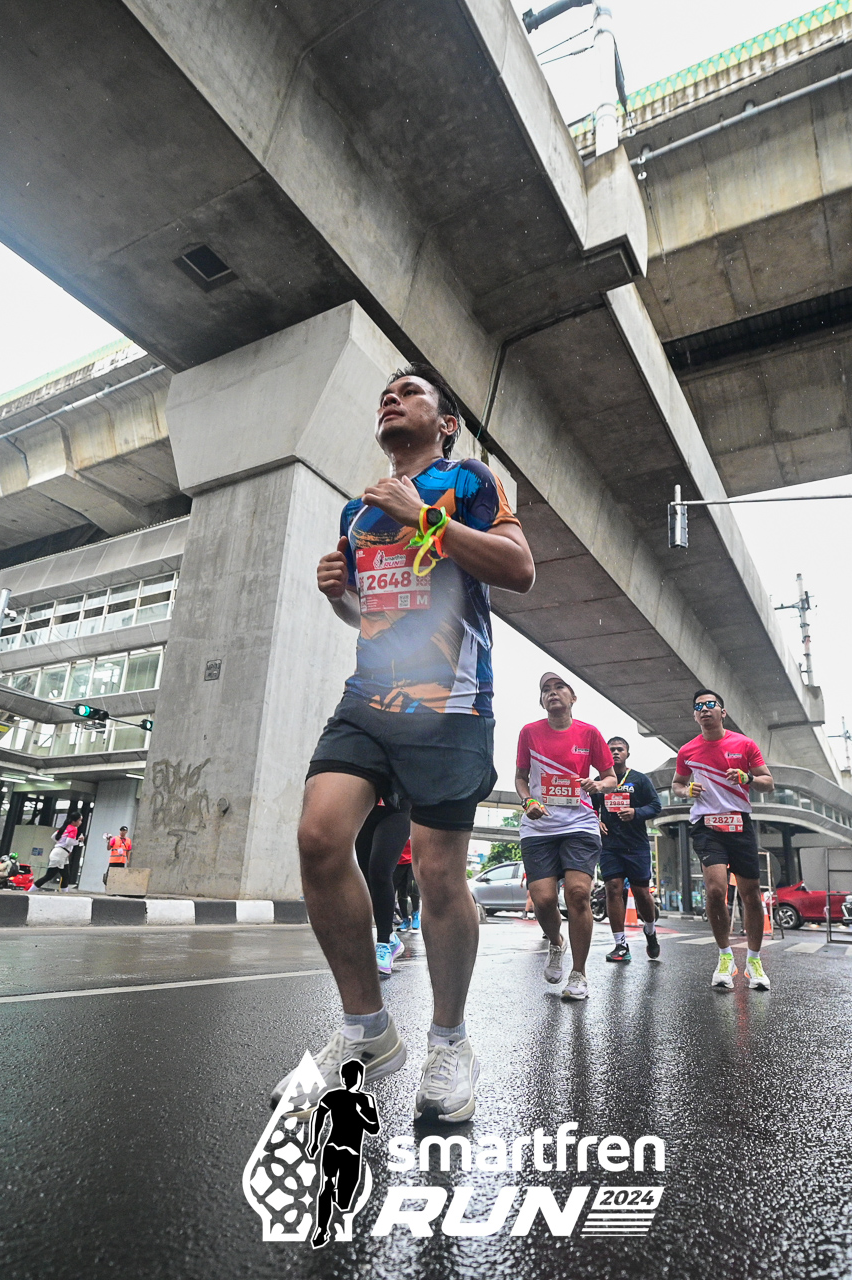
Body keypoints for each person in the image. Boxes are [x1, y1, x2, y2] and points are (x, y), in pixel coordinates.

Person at [276, 363, 533, 1124]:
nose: (393, 397)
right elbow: (373, 615)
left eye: (411, 391)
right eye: (386, 394)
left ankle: (449, 1042)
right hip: (370, 698)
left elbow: (518, 569)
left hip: (451, 701)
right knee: (320, 838)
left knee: (437, 871)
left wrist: (424, 518)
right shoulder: (357, 512)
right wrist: (340, 595)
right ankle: (366, 1028)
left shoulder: (468, 480)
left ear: (444, 423)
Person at [516, 671, 614, 1001]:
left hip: (580, 825)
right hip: (539, 827)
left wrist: (598, 785)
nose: (553, 692)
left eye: (559, 687)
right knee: (543, 900)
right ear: (541, 700)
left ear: (573, 697)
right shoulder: (529, 732)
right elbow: (520, 777)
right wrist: (527, 801)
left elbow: (610, 778)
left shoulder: (589, 733)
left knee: (578, 894)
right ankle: (557, 943)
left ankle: (579, 973)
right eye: (546, 689)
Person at [674, 688, 774, 991]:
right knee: (716, 891)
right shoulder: (687, 751)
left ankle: (754, 961)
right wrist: (687, 791)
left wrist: (747, 778)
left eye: (710, 704)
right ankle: (725, 957)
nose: (704, 709)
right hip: (706, 826)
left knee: (750, 893)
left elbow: (768, 782)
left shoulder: (744, 744)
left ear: (723, 712)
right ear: (695, 716)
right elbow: (677, 784)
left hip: (739, 823)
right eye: (699, 707)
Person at [594, 736, 663, 962]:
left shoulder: (639, 779)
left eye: (619, 749)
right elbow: (589, 807)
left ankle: (650, 931)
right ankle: (620, 945)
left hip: (636, 845)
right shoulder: (599, 781)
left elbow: (656, 806)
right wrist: (596, 820)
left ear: (627, 754)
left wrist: (636, 813)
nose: (615, 753)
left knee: (641, 892)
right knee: (613, 888)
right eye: (611, 750)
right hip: (610, 846)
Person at [308, 1058, 380, 1249]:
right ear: (346, 1078)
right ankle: (322, 1229)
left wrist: (358, 1115)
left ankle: (334, 1199)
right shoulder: (336, 1096)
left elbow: (373, 1128)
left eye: (354, 1076)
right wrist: (314, 1141)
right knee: (327, 1185)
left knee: (343, 1201)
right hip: (336, 1147)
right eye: (351, 1076)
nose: (353, 1079)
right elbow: (319, 1115)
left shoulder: (364, 1099)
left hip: (348, 1152)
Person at [353, 798, 410, 977]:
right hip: (364, 808)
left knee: (380, 870)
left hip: (396, 806)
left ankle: (383, 943)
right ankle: (391, 938)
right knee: (369, 878)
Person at [33, 826, 75, 891]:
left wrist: (59, 842)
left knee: (65, 875)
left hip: (62, 854)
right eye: (79, 821)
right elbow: (69, 842)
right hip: (60, 854)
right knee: (49, 876)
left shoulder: (65, 828)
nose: (80, 822)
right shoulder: (73, 829)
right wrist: (78, 841)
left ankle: (64, 894)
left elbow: (53, 836)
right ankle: (30, 890)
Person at [393, 840, 418, 933]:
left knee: (412, 886)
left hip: (412, 860)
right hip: (397, 862)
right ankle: (405, 919)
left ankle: (415, 912)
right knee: (401, 890)